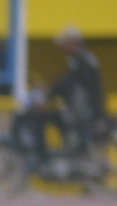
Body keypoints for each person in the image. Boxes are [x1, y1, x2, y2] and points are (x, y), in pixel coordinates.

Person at [46, 26, 107, 155]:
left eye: (64, 43)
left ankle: (66, 155)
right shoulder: (81, 59)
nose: (62, 47)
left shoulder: (81, 60)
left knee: (55, 117)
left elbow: (72, 82)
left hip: (82, 110)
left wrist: (51, 91)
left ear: (73, 42)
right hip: (87, 108)